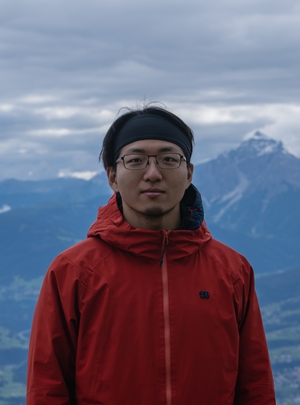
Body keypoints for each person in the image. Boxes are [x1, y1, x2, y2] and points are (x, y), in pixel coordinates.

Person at [26, 105, 276, 404]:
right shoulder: (74, 271)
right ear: (112, 176)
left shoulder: (232, 270)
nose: (153, 174)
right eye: (136, 160)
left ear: (189, 174)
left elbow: (256, 387)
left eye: (169, 159)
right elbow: (47, 388)